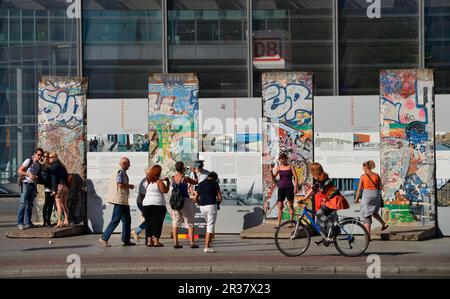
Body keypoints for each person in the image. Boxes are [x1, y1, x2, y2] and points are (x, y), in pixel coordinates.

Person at [302, 163, 349, 246]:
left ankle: (333, 230)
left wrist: (305, 198)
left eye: (311, 171)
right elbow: (315, 189)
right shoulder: (320, 178)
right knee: (320, 220)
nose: (311, 173)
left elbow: (314, 188)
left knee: (319, 213)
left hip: (334, 199)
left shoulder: (322, 178)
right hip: (330, 200)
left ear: (315, 171)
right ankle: (327, 236)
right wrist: (306, 197)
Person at [99, 157, 135, 247]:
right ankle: (104, 238)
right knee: (115, 220)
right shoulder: (120, 172)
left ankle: (126, 240)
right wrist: (129, 186)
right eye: (128, 164)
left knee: (127, 220)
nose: (129, 166)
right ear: (124, 164)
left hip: (123, 200)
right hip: (119, 199)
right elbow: (120, 184)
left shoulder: (119, 171)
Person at [355, 160, 389, 238]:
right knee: (374, 212)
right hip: (376, 195)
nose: (363, 169)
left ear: (366, 167)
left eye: (363, 167)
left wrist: (357, 198)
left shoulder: (363, 176)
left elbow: (359, 189)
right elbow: (380, 187)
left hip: (367, 196)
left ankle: (367, 237)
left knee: (367, 216)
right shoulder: (376, 175)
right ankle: (383, 224)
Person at [171, 161, 199, 249]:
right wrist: (194, 173)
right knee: (189, 221)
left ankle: (176, 242)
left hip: (175, 201)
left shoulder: (172, 178)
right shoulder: (185, 178)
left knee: (175, 221)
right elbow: (196, 182)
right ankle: (192, 242)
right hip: (184, 200)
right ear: (183, 168)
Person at [142, 165, 170, 247]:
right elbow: (165, 191)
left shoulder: (147, 182)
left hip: (146, 204)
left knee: (148, 222)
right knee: (157, 222)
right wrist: (168, 183)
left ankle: (149, 241)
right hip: (158, 204)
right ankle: (156, 241)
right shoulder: (159, 182)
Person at [194, 172, 222, 253]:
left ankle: (209, 244)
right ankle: (206, 247)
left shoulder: (201, 184)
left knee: (209, 224)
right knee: (210, 226)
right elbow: (220, 198)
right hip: (211, 206)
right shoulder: (215, 184)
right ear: (215, 178)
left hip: (202, 207)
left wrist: (199, 204)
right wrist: (218, 205)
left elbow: (196, 197)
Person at [17, 147, 44, 230]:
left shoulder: (39, 165)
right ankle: (20, 223)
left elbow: (38, 177)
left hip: (33, 185)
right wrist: (28, 175)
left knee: (30, 205)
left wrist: (36, 178)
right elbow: (19, 170)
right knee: (23, 204)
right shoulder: (29, 161)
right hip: (25, 183)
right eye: (38, 154)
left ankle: (27, 222)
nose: (39, 156)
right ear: (35, 154)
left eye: (41, 155)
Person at [271, 153, 298, 229]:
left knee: (290, 205)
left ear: (286, 159)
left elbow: (296, 178)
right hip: (281, 188)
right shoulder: (279, 167)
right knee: (280, 206)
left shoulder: (290, 166)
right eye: (280, 159)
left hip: (289, 188)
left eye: (283, 158)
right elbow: (274, 178)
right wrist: (271, 173)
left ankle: (291, 222)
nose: (282, 160)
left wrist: (295, 188)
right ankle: (279, 223)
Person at [48, 153, 70, 228]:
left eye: (51, 157)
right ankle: (66, 220)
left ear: (55, 157)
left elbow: (53, 178)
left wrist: (54, 190)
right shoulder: (62, 166)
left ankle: (59, 221)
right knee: (64, 204)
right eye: (49, 157)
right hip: (65, 187)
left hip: (59, 187)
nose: (49, 158)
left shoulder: (55, 165)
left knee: (58, 205)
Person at [131, 170, 149, 242]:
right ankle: (136, 231)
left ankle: (147, 239)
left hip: (145, 203)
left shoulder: (148, 180)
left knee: (149, 220)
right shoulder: (145, 181)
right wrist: (144, 209)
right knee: (149, 220)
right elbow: (142, 196)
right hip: (142, 203)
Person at [41, 151, 55, 227]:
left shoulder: (52, 165)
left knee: (51, 205)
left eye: (48, 156)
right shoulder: (43, 166)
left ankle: (48, 220)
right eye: (45, 156)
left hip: (53, 188)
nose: (46, 158)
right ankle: (44, 221)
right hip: (47, 187)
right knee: (46, 204)